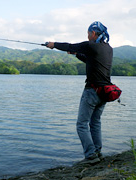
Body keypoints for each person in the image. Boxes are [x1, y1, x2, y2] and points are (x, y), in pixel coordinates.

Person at [46, 21, 113, 164]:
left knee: (81, 124)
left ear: (93, 33)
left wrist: (53, 44)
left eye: (88, 33)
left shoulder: (90, 45)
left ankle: (90, 155)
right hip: (105, 92)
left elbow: (69, 46)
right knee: (95, 123)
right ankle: (98, 152)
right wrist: (77, 54)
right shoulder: (108, 48)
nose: (87, 35)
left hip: (92, 91)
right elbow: (91, 60)